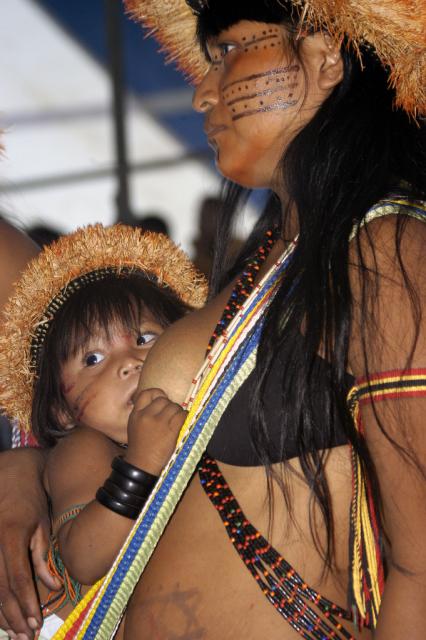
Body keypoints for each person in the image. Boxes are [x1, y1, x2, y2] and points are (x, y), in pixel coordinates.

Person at [1, 1, 426, 638]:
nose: (202, 93)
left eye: (228, 52)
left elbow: (420, 563)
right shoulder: (274, 260)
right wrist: (24, 473)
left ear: (323, 55)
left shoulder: (384, 249)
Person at [0, 223, 206, 639]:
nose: (128, 362)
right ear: (62, 412)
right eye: (93, 358)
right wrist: (141, 463)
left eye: (145, 338)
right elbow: (86, 557)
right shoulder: (84, 448)